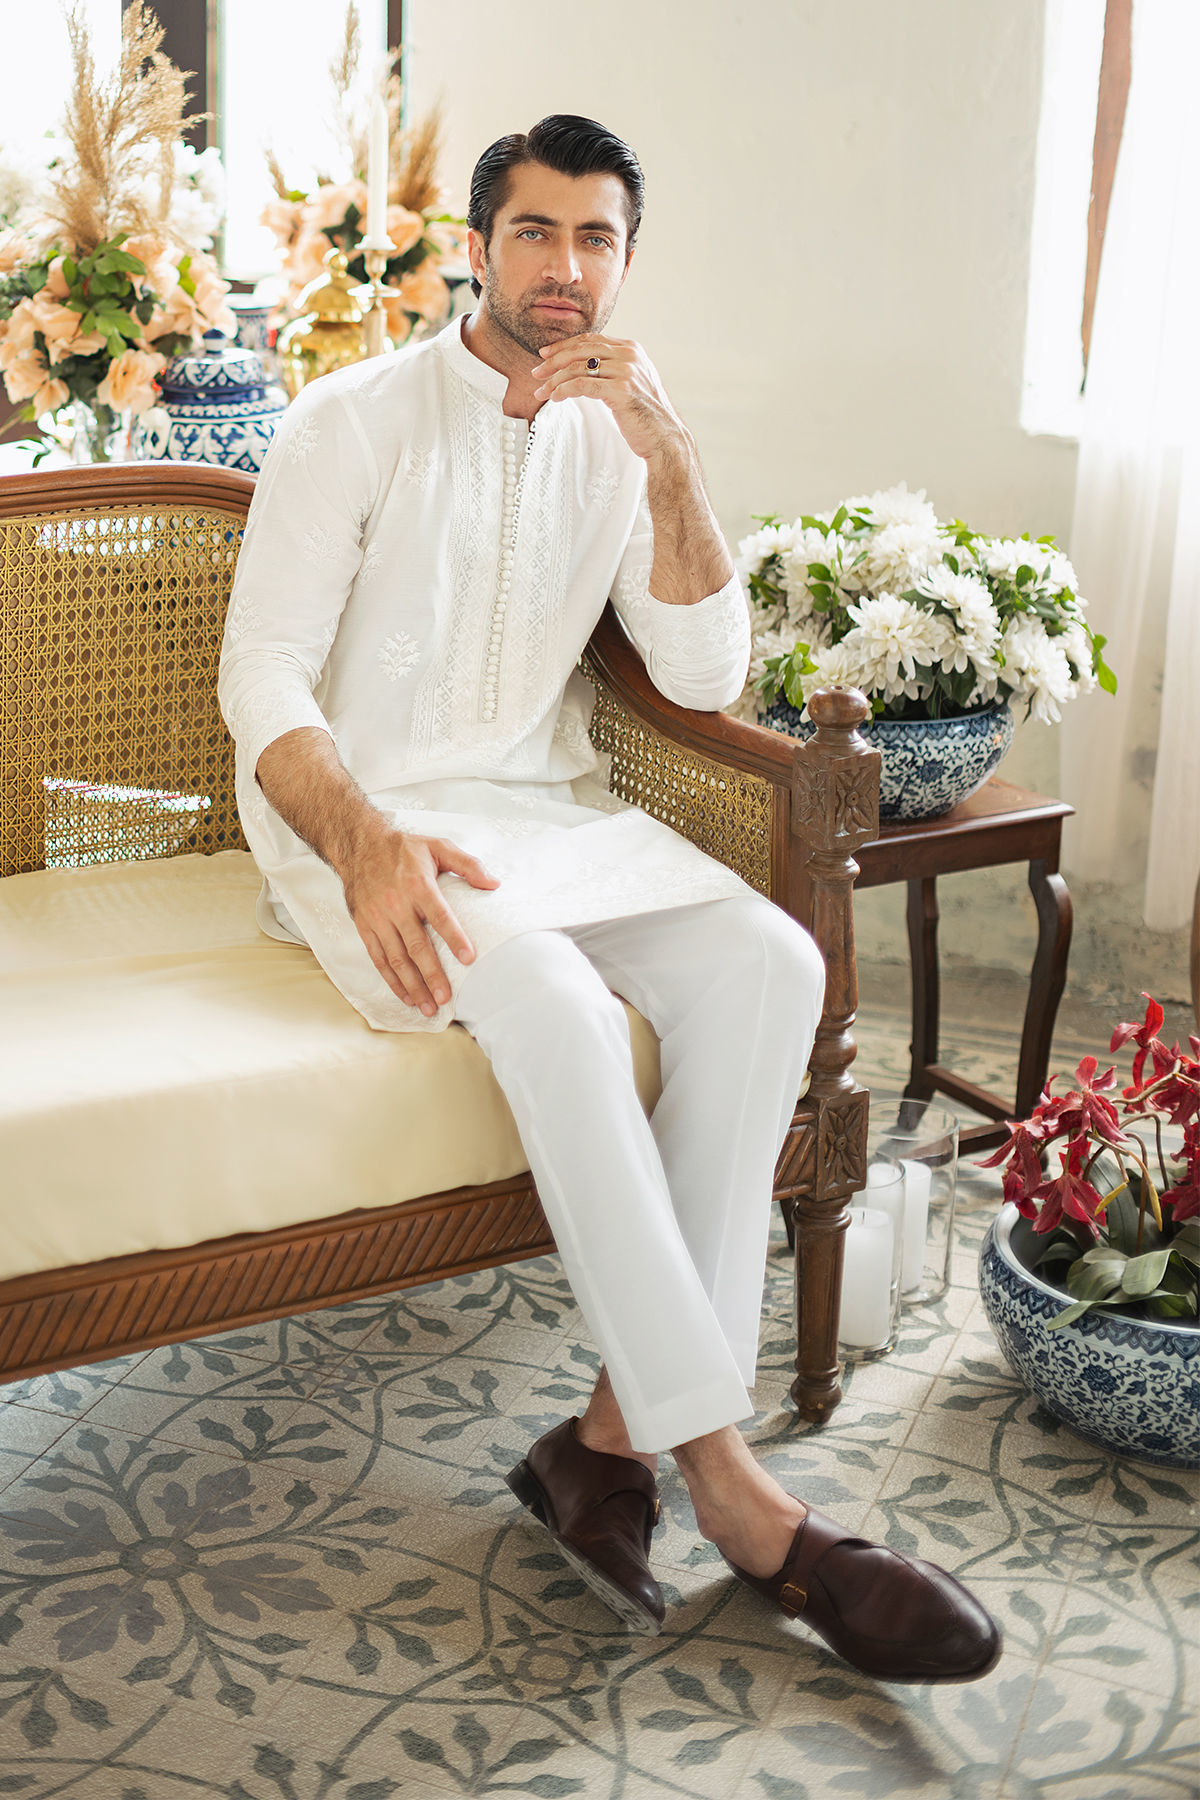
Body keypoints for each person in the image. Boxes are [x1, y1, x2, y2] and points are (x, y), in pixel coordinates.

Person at [219, 114, 1000, 1682]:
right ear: (478, 246)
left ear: (627, 261)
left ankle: (603, 1438)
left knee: (775, 962)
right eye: (535, 232)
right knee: (566, 1011)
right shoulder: (351, 419)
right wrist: (362, 842)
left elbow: (705, 676)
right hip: (379, 831)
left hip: (555, 817)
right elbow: (264, 677)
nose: (564, 267)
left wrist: (670, 459)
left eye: (596, 239)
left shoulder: (625, 433)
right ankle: (738, 1492)